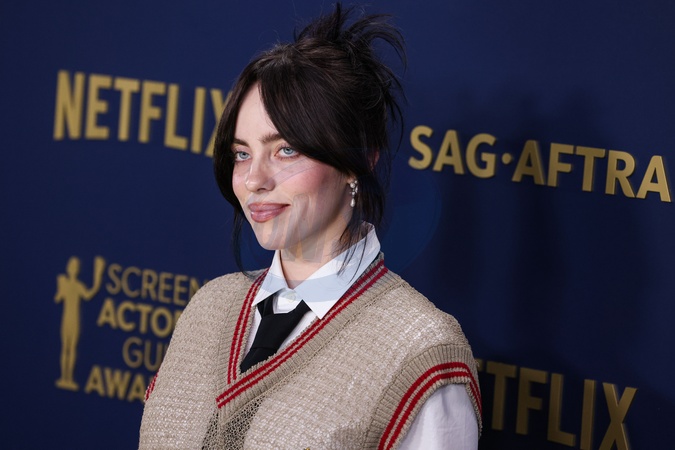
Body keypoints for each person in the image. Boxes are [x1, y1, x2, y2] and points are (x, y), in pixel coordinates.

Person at [139, 4, 481, 449]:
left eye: (286, 150)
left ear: (359, 160)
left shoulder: (421, 354)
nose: (254, 180)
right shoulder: (208, 309)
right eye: (242, 154)